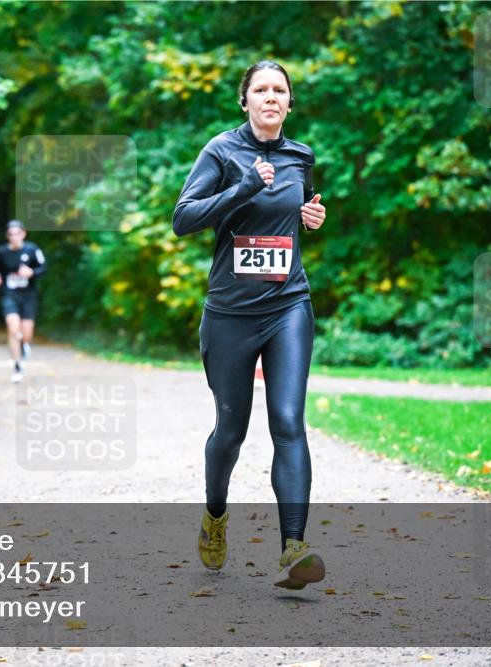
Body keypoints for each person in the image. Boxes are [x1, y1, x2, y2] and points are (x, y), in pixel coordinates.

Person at [172, 60, 328, 589]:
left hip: (288, 304)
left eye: (279, 90)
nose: (270, 97)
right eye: (260, 89)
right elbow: (183, 219)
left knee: (287, 421)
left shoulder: (300, 155)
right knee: (231, 431)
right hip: (230, 313)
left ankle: (293, 548)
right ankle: (215, 516)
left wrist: (311, 216)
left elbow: (298, 209)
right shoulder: (221, 151)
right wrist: (240, 188)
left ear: (289, 102)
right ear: (245, 101)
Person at [0, 220, 46, 383]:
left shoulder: (32, 249)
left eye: (17, 233)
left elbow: (43, 267)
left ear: (23, 233)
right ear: (7, 236)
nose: (14, 237)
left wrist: (31, 272)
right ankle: (17, 365)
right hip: (10, 294)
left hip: (28, 295)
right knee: (13, 329)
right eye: (11, 234)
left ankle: (24, 345)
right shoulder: (1, 252)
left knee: (26, 333)